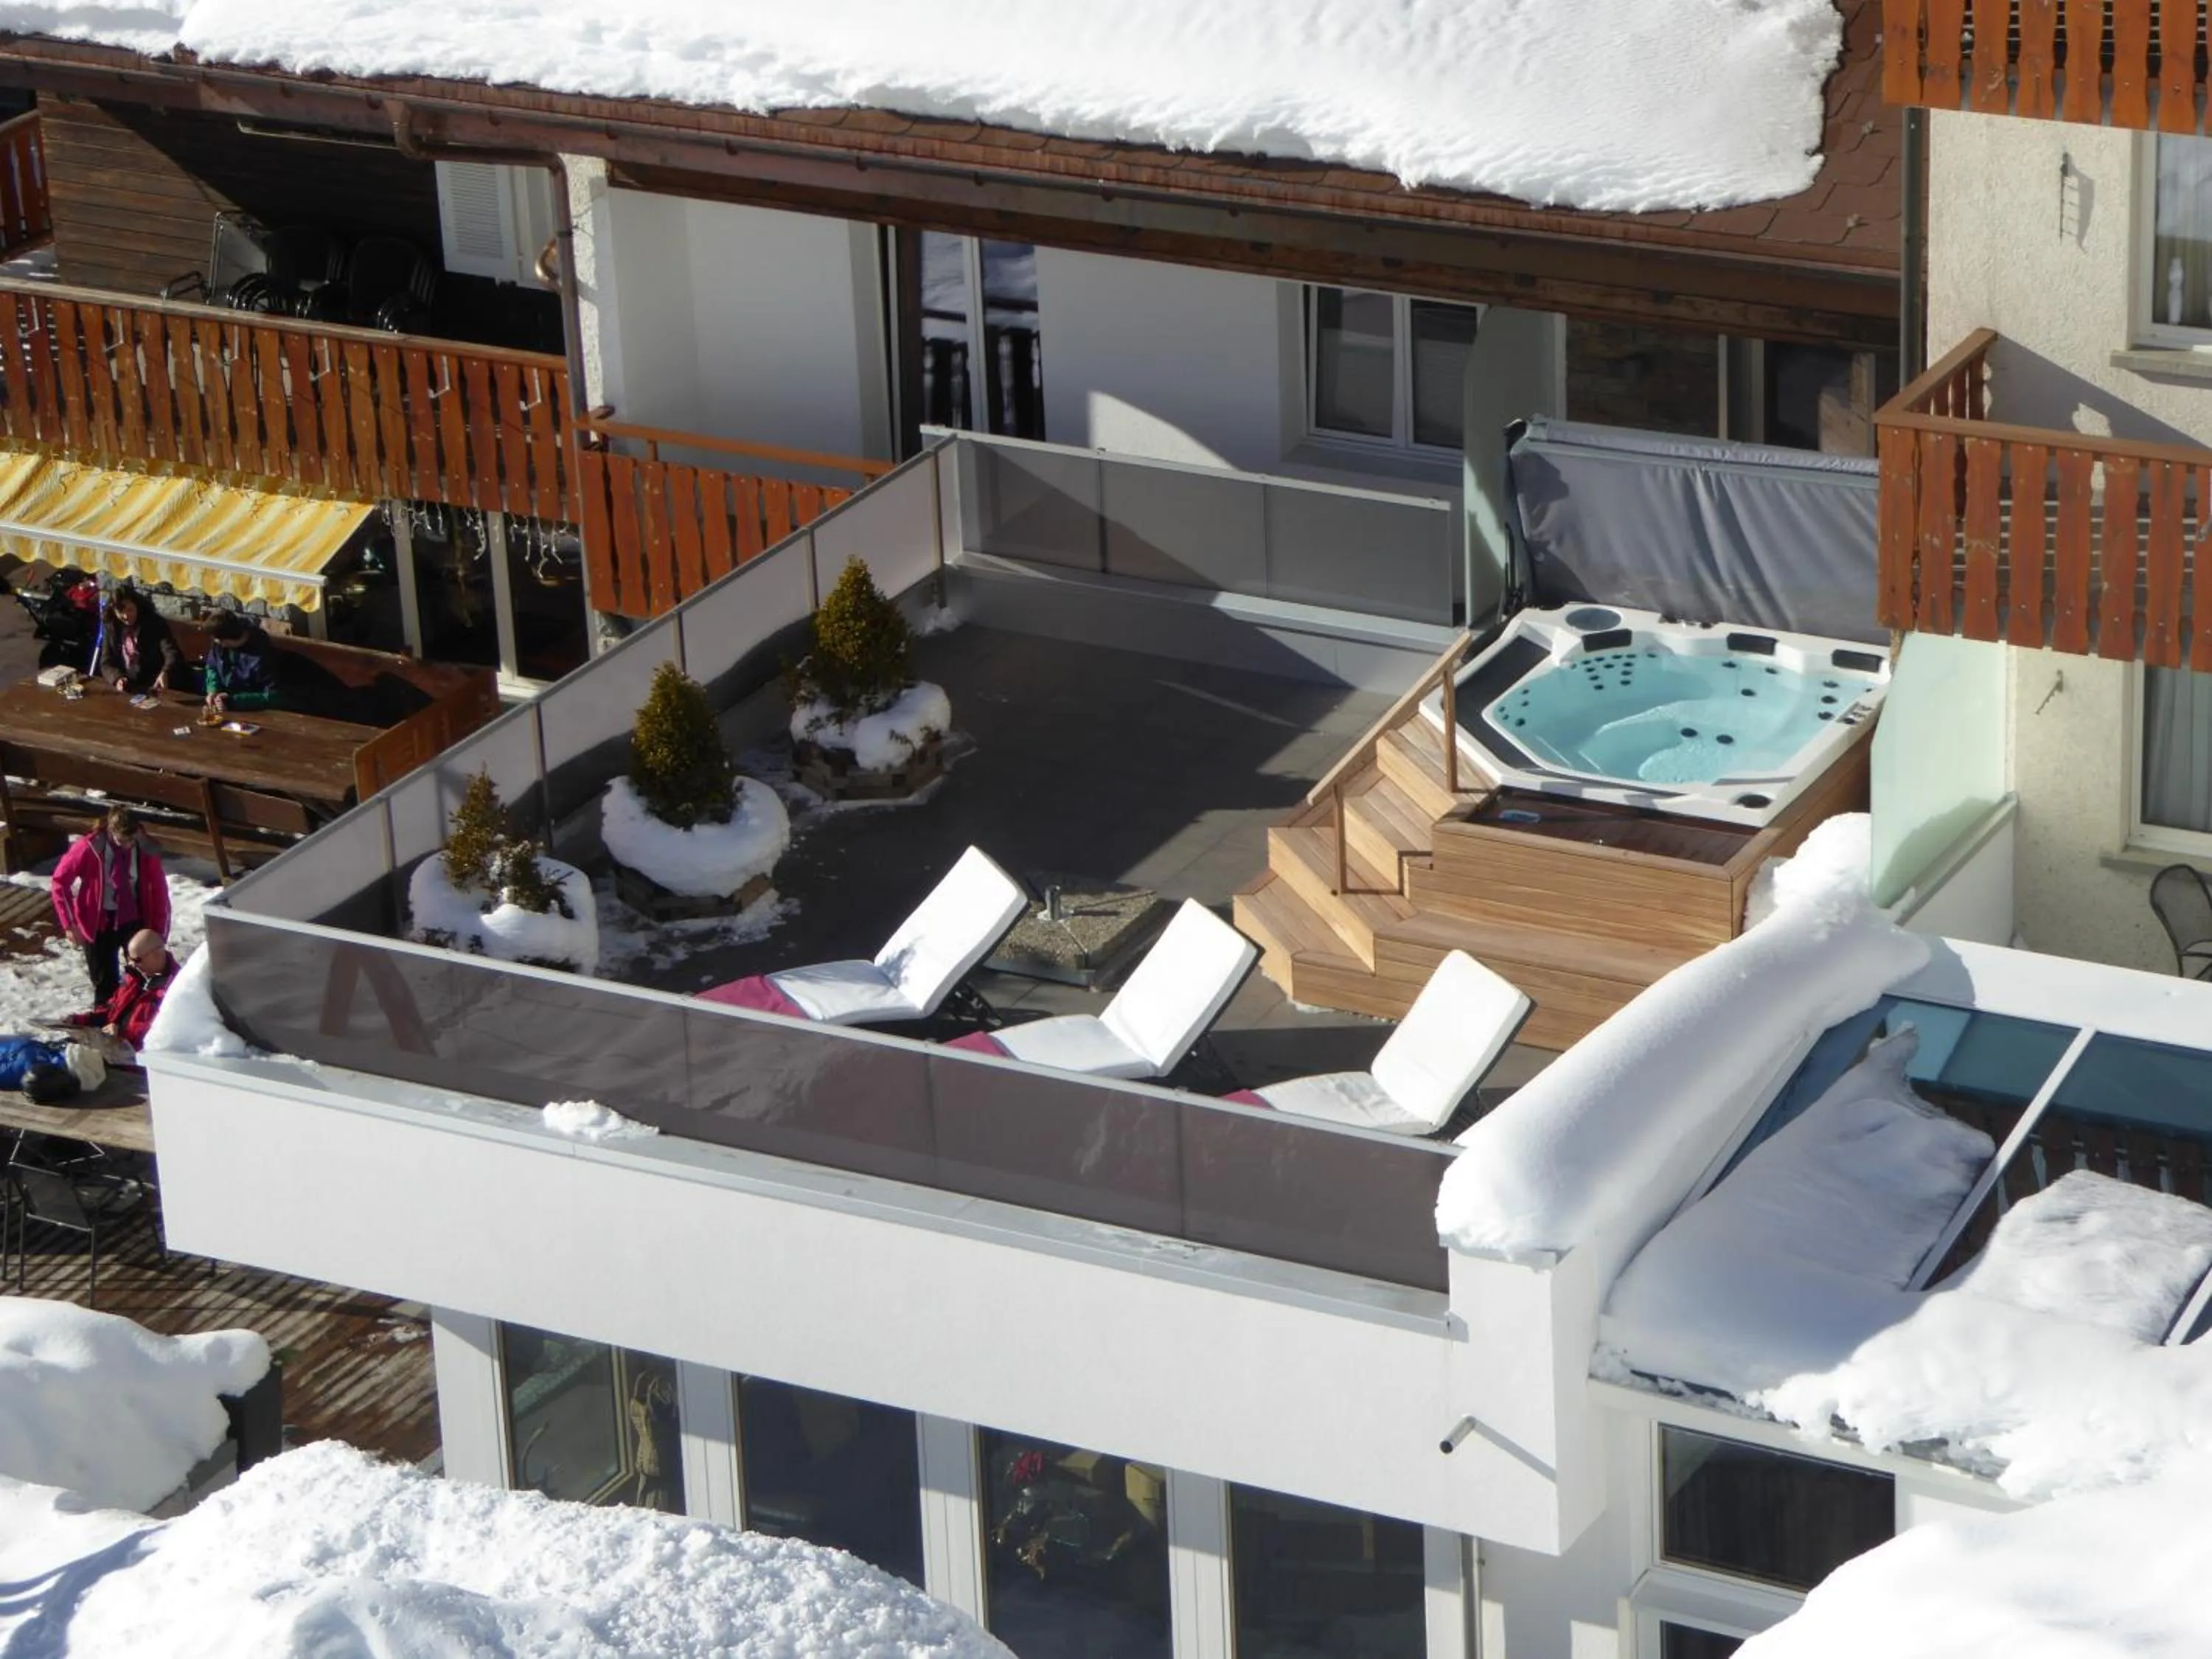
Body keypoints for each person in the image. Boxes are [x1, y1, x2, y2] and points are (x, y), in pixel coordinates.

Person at [51, 806, 172, 1007]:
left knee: (142, 979)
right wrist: (70, 924)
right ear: (110, 832)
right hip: (98, 923)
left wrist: (158, 934)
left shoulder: (145, 850)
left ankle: (135, 1023)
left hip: (133, 919)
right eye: (122, 841)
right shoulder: (89, 848)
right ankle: (105, 1022)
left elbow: (159, 892)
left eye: (131, 840)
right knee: (104, 984)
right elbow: (59, 883)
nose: (127, 846)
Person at [64, 930, 178, 1051]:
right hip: (112, 1047)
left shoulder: (175, 990)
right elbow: (110, 1011)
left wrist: (121, 1034)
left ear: (155, 955)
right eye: (130, 959)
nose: (133, 964)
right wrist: (78, 1021)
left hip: (136, 1058)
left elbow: (158, 1036)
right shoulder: (134, 978)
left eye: (137, 960)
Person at [90, 583, 182, 696]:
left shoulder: (155, 624)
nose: (125, 616)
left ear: (137, 606)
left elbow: (172, 653)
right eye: (120, 612)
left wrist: (166, 672)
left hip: (155, 686)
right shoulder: (112, 627)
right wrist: (117, 678)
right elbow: (106, 662)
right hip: (129, 687)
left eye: (130, 610)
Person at [201, 611, 284, 713]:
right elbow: (212, 667)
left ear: (224, 640)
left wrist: (234, 701)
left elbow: (272, 696)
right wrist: (213, 690)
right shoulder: (220, 647)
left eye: (216, 640)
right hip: (224, 702)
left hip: (254, 710)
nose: (215, 642)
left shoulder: (262, 655)